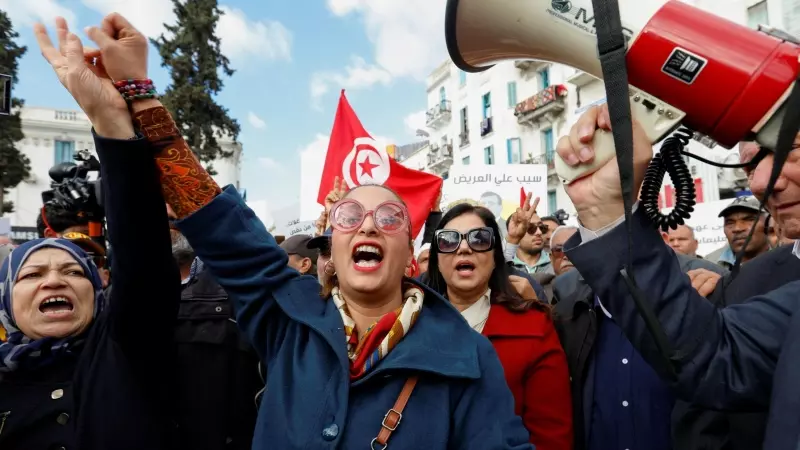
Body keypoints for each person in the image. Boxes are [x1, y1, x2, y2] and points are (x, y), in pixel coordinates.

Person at [59, 13, 533, 449]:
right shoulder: (288, 315)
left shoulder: (467, 354)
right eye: (350, 217)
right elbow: (220, 223)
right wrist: (138, 95)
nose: (368, 223)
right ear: (334, 244)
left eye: (389, 218)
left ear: (410, 252)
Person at [556, 102, 800, 450]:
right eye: (750, 164)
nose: (761, 181)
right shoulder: (746, 283)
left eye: (788, 148)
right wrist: (602, 208)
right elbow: (712, 363)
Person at [0, 19, 179, 450]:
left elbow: (142, 255)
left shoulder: (126, 348)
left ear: (100, 288)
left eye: (73, 271)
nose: (54, 280)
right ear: (5, 302)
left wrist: (111, 122)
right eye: (31, 275)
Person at [425, 202, 573, 449]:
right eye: (449, 241)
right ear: (436, 259)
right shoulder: (409, 325)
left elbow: (551, 435)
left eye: (479, 239)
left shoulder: (534, 327)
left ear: (496, 257)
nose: (463, 248)